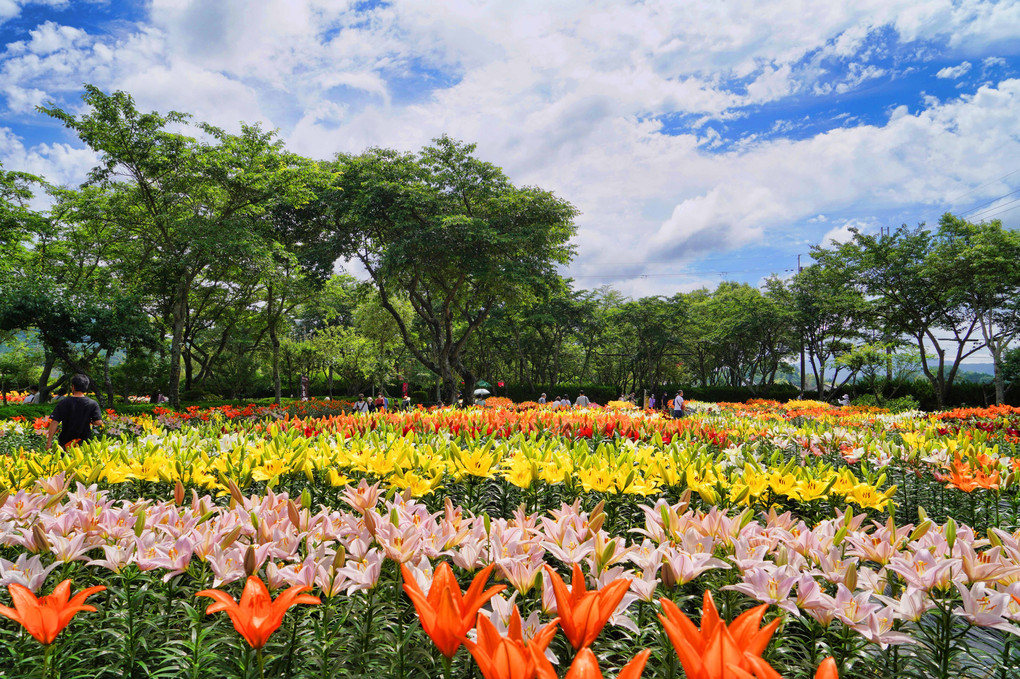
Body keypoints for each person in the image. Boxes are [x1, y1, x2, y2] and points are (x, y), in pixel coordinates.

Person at [45, 374, 102, 449]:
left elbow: (54, 422)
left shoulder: (63, 402)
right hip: (84, 443)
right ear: (86, 387)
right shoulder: (92, 403)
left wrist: (49, 442)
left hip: (65, 442)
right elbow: (98, 422)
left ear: (73, 387)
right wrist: (89, 420)